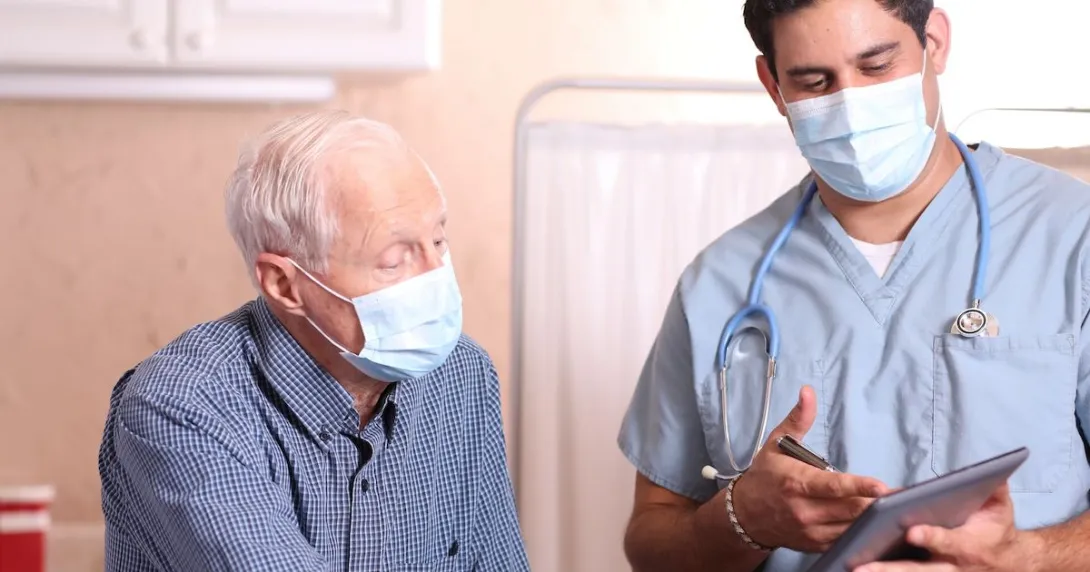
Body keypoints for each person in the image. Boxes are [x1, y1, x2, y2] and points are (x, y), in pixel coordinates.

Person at [617, 0, 1090, 570]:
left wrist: (1028, 557)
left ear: (933, 44)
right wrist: (744, 519)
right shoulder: (719, 283)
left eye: (876, 66)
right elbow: (651, 540)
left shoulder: (1071, 237)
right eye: (814, 82)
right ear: (773, 85)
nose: (849, 103)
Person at [97, 111, 529, 571]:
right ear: (285, 285)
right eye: (393, 260)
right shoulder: (182, 407)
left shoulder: (462, 375)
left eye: (439, 241)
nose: (435, 275)